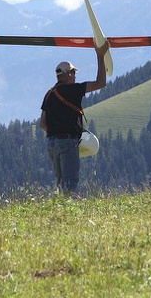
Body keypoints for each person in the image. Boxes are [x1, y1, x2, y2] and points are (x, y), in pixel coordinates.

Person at [39, 40, 110, 194]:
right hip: (68, 141)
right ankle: (66, 212)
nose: (75, 76)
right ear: (68, 74)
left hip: (52, 144)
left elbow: (42, 123)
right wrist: (100, 56)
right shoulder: (74, 90)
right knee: (70, 185)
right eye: (74, 73)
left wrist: (56, 133)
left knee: (61, 184)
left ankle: (59, 211)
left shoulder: (49, 94)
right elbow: (101, 83)